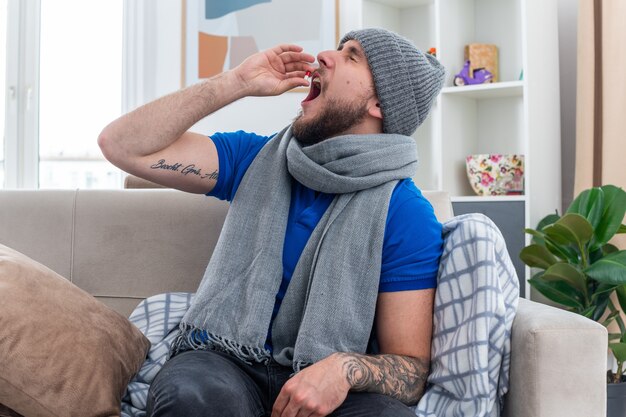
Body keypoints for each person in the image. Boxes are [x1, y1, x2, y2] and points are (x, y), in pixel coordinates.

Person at [99, 27, 446, 417]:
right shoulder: (255, 158)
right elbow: (120, 145)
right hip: (223, 360)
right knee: (192, 400)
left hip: (327, 380)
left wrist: (343, 370)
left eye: (351, 56)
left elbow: (412, 369)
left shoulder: (405, 211)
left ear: (380, 103)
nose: (324, 58)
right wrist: (235, 83)